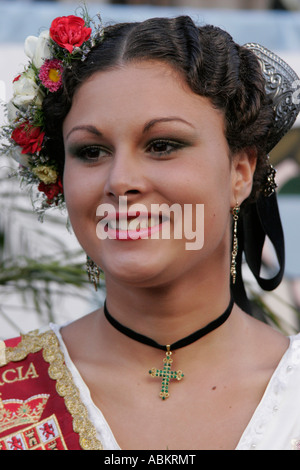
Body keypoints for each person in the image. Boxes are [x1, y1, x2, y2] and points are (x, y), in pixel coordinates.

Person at [0, 10, 300, 451]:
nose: (120, 181)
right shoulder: (10, 389)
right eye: (91, 151)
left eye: (162, 146)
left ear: (240, 172)